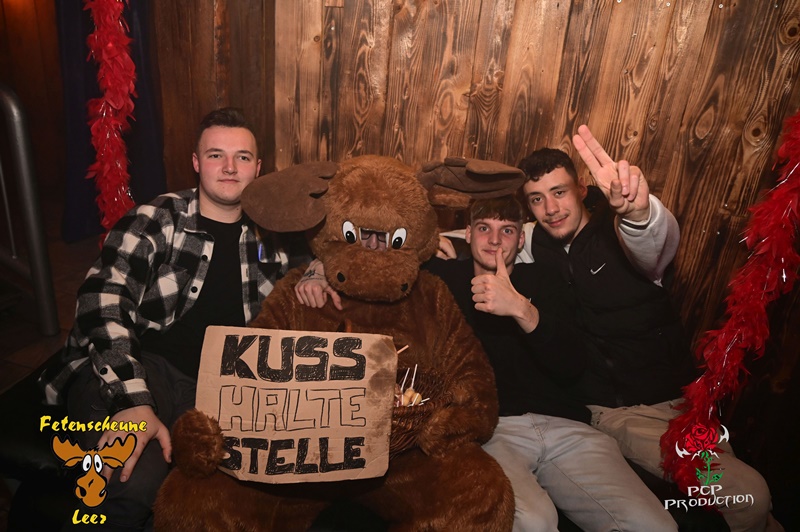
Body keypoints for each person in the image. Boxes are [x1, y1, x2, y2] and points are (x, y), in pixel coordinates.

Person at [517, 125, 779, 532]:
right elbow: (490, 236)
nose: (550, 208)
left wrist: (640, 214)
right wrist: (438, 241)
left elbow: (652, 241)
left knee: (745, 502)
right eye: (537, 199)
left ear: (582, 189)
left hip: (681, 404)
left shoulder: (621, 232)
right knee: (749, 494)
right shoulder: (535, 243)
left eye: (559, 192)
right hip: (619, 415)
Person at [39, 107, 287, 530]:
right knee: (133, 482)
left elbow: (326, 261)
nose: (230, 167)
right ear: (196, 162)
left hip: (212, 390)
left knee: (222, 502)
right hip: (135, 369)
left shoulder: (273, 235)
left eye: (242, 157)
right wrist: (133, 401)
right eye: (216, 155)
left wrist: (318, 274)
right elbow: (102, 300)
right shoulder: (157, 218)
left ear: (258, 167)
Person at [422, 195, 677, 531]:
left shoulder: (546, 279)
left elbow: (571, 364)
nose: (495, 240)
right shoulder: (443, 278)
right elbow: (379, 259)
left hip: (567, 427)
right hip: (494, 429)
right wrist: (426, 242)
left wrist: (521, 308)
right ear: (467, 234)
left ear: (521, 239)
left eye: (507, 230)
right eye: (484, 228)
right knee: (535, 522)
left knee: (655, 526)